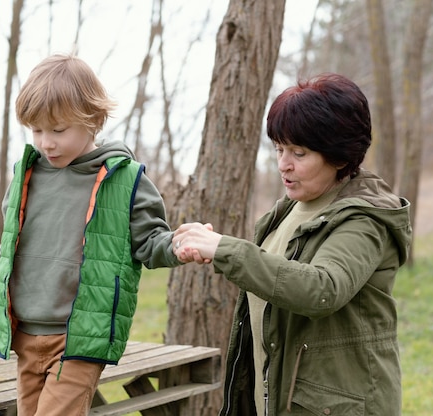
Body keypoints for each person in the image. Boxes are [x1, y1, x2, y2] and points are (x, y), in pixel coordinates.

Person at [0, 54, 181, 416]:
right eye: (36, 130)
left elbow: (151, 243)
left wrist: (179, 246)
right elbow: (9, 252)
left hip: (80, 337)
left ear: (94, 121)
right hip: (25, 336)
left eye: (58, 130)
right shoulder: (27, 178)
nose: (46, 143)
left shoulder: (125, 179)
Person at [172, 73, 412, 416]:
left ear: (340, 157)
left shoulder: (366, 218)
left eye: (299, 152)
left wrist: (227, 249)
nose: (284, 163)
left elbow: (322, 288)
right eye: (279, 149)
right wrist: (213, 246)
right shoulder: (288, 210)